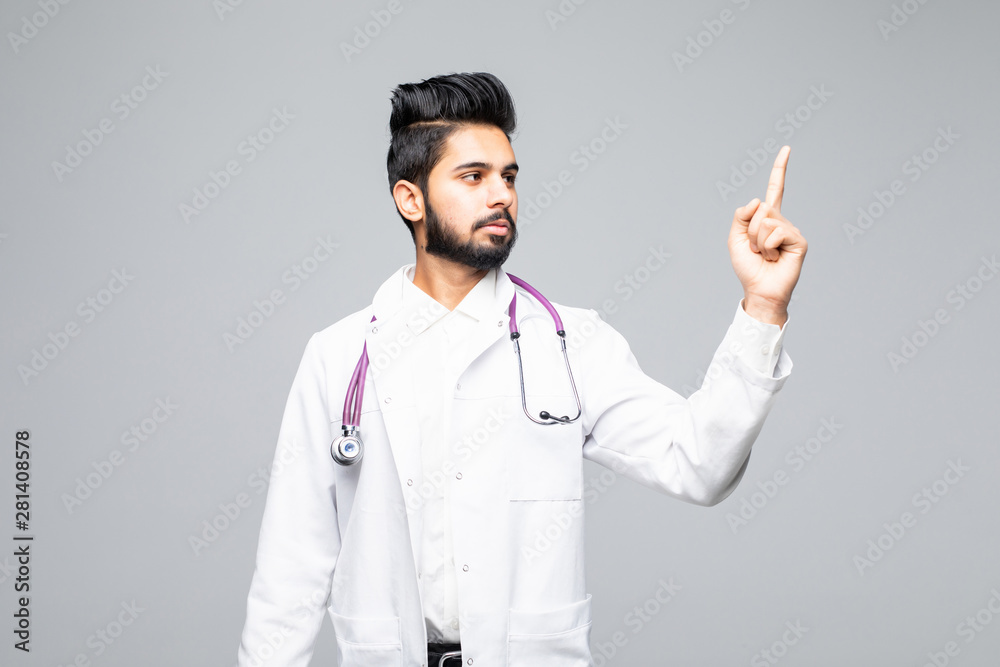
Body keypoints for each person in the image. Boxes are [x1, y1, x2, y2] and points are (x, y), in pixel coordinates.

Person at [237, 71, 806, 667]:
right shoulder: (339, 356)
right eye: (473, 176)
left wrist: (763, 308)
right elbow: (291, 569)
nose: (501, 194)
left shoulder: (571, 342)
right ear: (410, 199)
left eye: (508, 176)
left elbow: (701, 465)